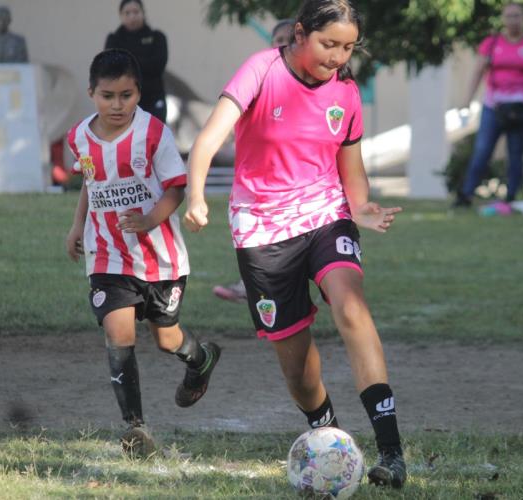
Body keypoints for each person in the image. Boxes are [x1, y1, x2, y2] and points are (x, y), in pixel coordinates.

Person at [184, 0, 407, 488]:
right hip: (262, 230)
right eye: (329, 44)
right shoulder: (260, 71)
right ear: (300, 34)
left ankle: (391, 451)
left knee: (352, 307)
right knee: (299, 370)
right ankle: (326, 437)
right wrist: (197, 196)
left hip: (325, 215)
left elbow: (351, 168)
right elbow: (208, 139)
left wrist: (361, 207)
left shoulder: (345, 91)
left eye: (348, 47)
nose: (338, 56)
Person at [65, 49, 220, 456]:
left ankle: (200, 359)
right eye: (107, 95)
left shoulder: (153, 133)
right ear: (91, 94)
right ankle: (136, 428)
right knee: (119, 334)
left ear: (139, 93)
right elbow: (90, 181)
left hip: (160, 257)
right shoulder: (79, 136)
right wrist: (77, 225)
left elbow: (176, 187)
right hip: (106, 254)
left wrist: (150, 220)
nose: (117, 104)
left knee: (168, 340)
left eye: (127, 95)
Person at [212, 19, 296, 304]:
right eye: (278, 39)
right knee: (256, 242)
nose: (284, 43)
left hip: (293, 183)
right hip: (258, 181)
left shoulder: (308, 82)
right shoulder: (259, 76)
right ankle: (251, 285)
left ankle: (270, 288)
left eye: (290, 37)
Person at [453, 2, 523, 207]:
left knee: (516, 152)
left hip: (522, 108)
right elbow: (478, 72)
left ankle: (511, 196)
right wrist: (467, 99)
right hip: (494, 107)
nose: (513, 20)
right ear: (503, 19)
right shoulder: (492, 43)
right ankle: (466, 194)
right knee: (482, 150)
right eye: (509, 16)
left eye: (517, 16)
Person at [105, 0, 169, 122]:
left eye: (136, 12)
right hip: (123, 102)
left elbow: (158, 66)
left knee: (155, 138)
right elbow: (111, 68)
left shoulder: (157, 37)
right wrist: (142, 62)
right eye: (127, 13)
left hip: (153, 100)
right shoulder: (113, 40)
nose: (132, 16)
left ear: (143, 13)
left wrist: (127, 61)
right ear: (121, 16)